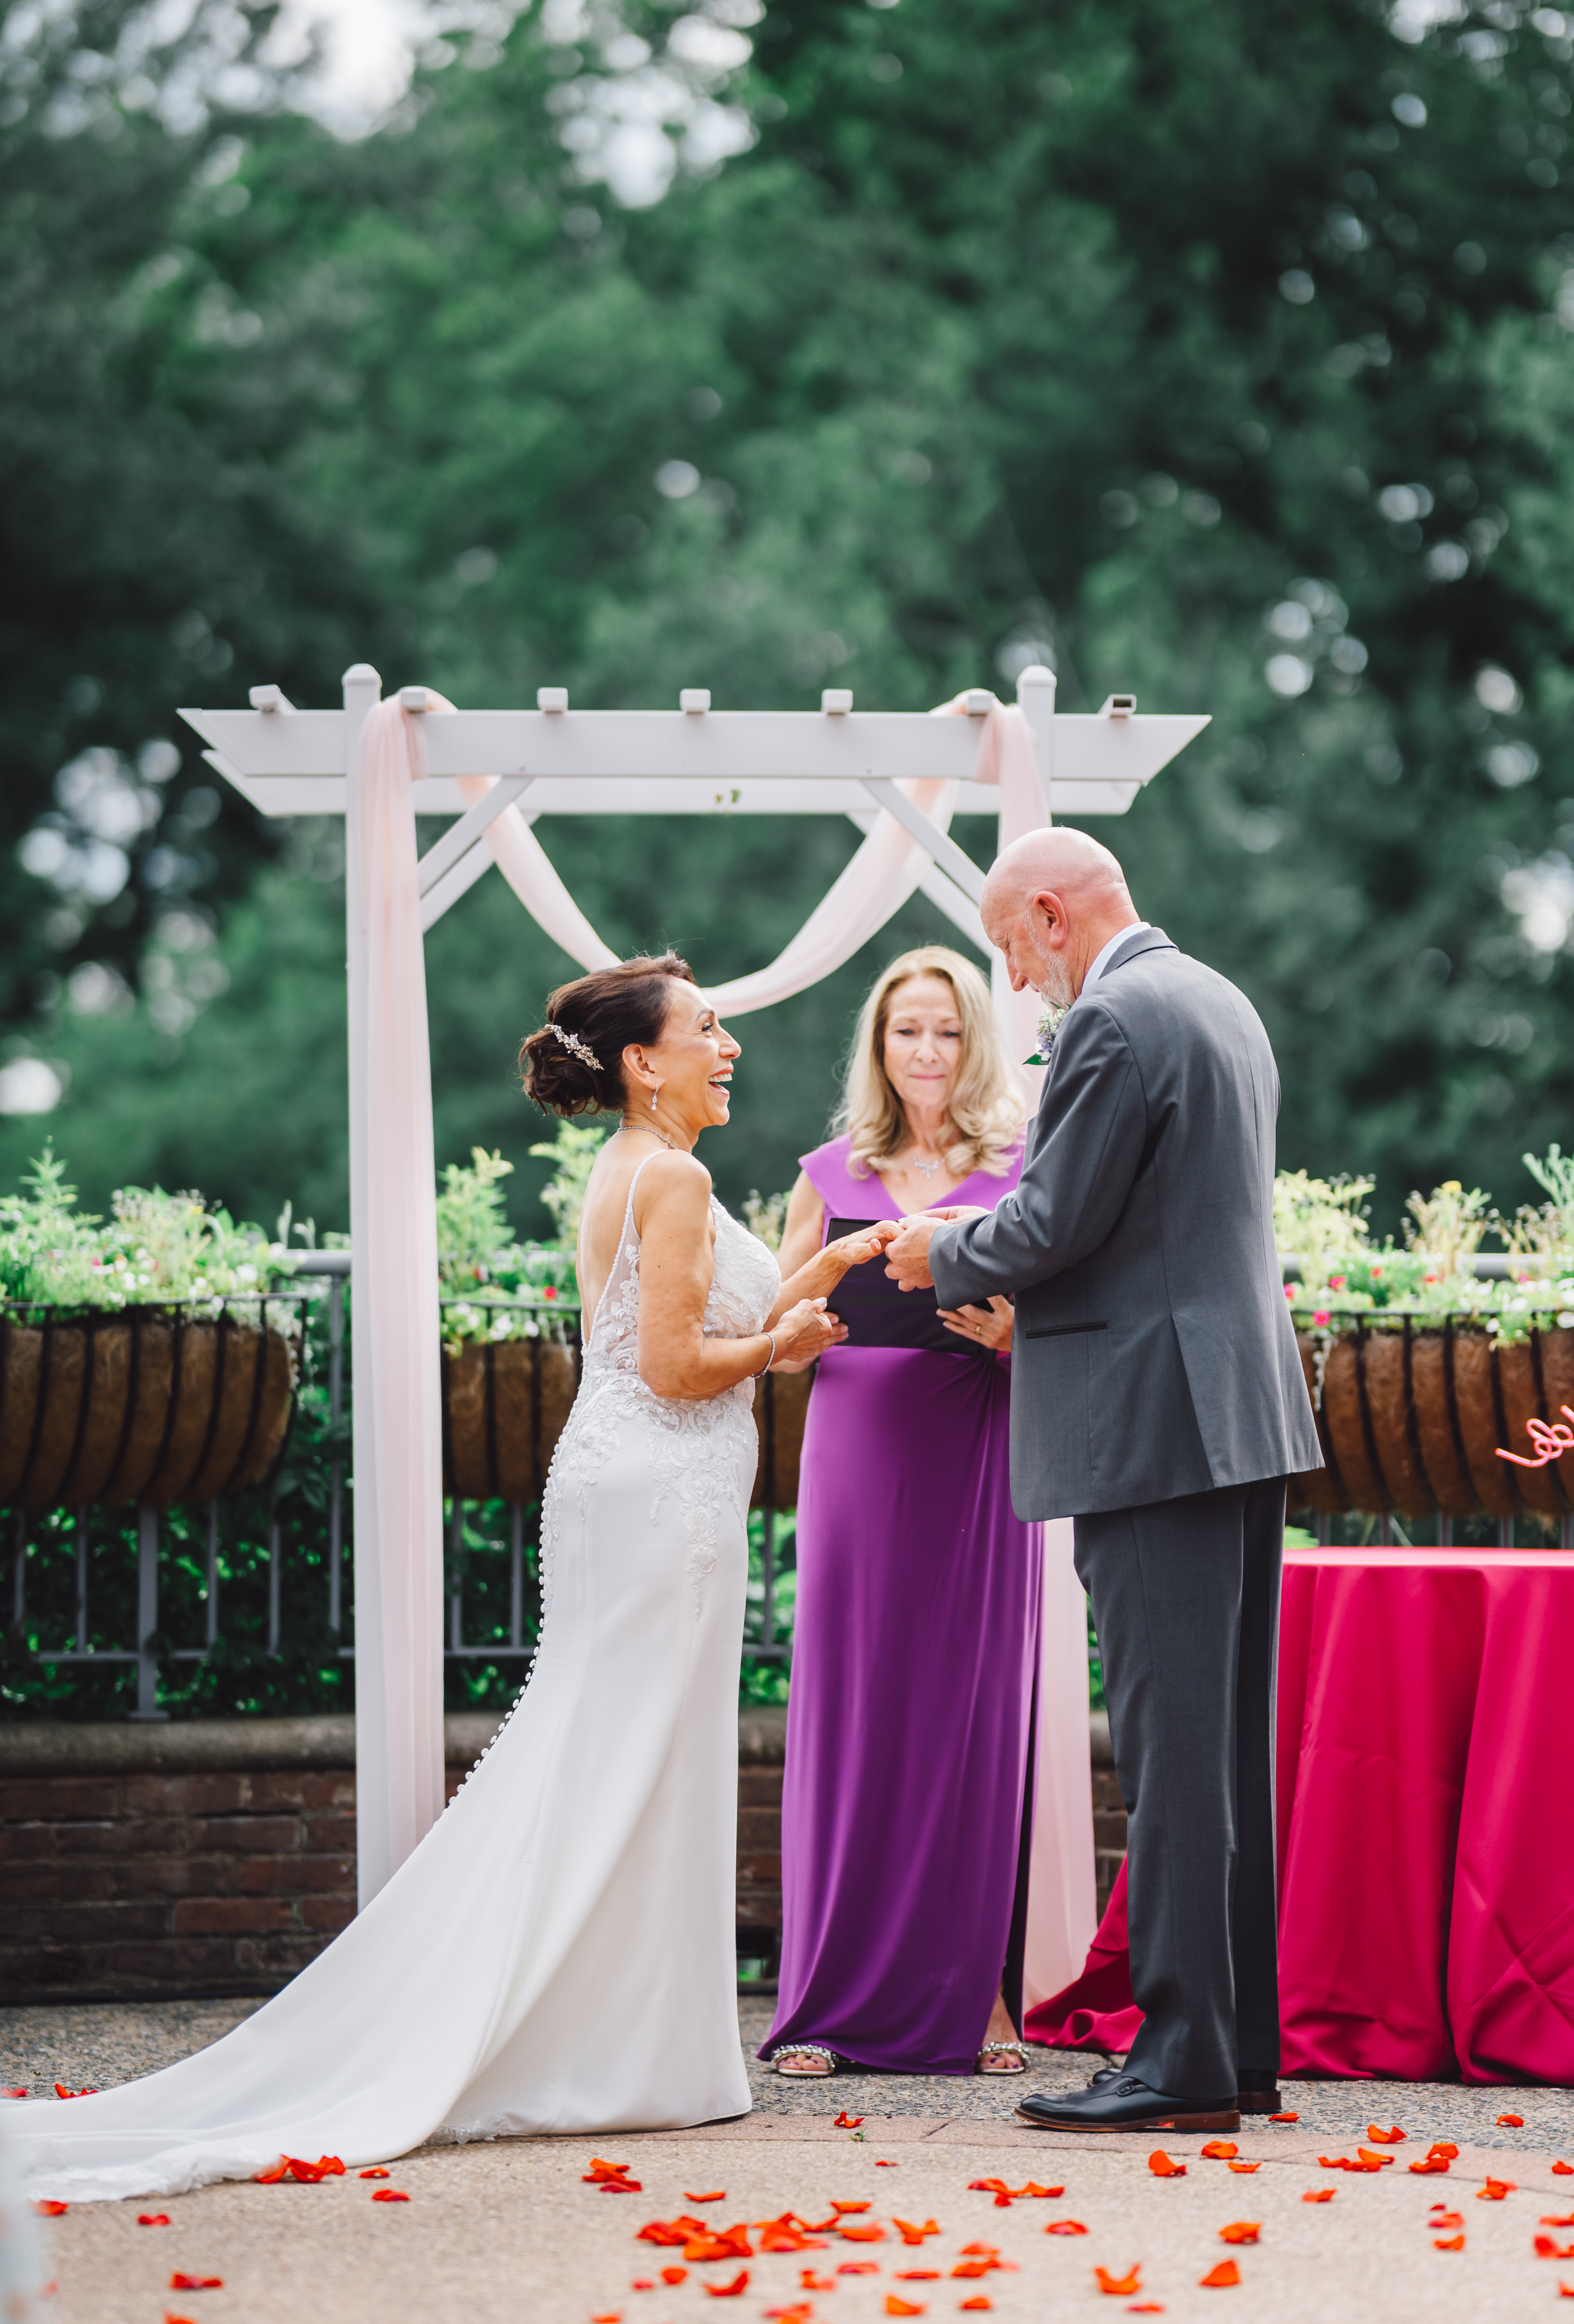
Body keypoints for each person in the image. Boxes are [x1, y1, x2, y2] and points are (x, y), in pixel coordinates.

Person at [13, 954, 897, 2201]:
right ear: (644, 1064)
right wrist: (783, 1346)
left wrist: (824, 1284)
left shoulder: (635, 1170)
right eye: (707, 1029)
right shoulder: (677, 1176)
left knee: (619, 1755)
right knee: (621, 1756)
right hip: (661, 1494)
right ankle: (600, 2042)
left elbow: (695, 1332)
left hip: (636, 1488)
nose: (727, 1045)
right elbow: (675, 1369)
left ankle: (624, 2038)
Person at [885, 832, 1322, 2134]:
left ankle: (1182, 2061)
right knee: (1221, 1749)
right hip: (1232, 1416)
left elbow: (1054, 1220)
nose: (1015, 986)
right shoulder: (1217, 1001)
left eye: (1012, 952)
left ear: (1049, 913)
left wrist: (937, 1250)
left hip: (1153, 1420)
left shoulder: (1116, 1016)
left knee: (1174, 1750)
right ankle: (1232, 2045)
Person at [759, 944, 1044, 2079]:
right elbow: (772, 1322)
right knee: (855, 1716)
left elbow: (1079, 1319)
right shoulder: (829, 1169)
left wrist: (1017, 1338)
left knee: (969, 1719)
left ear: (973, 1047)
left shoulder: (1022, 1166)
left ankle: (976, 2000)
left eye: (945, 1032)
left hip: (975, 1443)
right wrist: (829, 1293)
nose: (925, 1052)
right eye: (904, 1032)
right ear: (877, 1050)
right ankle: (822, 2003)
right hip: (855, 1450)